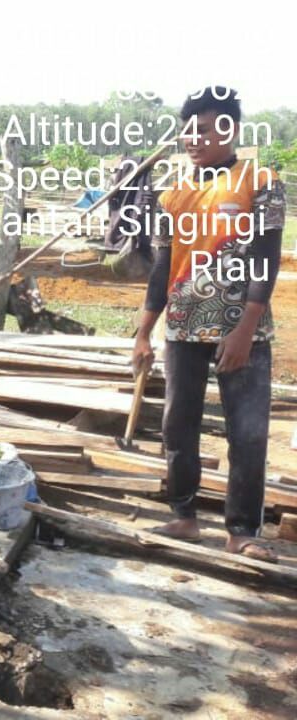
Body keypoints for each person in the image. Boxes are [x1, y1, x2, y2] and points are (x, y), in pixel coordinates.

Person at [135, 87, 284, 562]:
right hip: (182, 326)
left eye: (205, 129)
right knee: (178, 422)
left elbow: (266, 257)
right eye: (188, 130)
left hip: (244, 331)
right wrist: (143, 332)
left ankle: (242, 529)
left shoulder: (260, 181)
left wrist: (244, 328)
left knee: (248, 431)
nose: (193, 138)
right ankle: (184, 515)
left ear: (230, 130)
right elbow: (162, 267)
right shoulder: (174, 190)